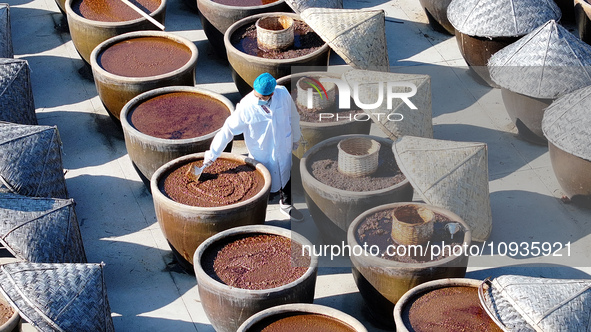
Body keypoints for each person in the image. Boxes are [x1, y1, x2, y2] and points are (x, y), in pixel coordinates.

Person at [200, 72, 304, 221]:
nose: (258, 99)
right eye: (257, 95)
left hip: (283, 146)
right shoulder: (246, 106)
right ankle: (258, 209)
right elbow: (227, 130)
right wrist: (212, 154)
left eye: (262, 97)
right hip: (262, 151)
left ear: (272, 93)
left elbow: (293, 116)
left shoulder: (282, 94)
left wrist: (295, 138)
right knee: (262, 181)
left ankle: (286, 205)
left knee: (286, 176)